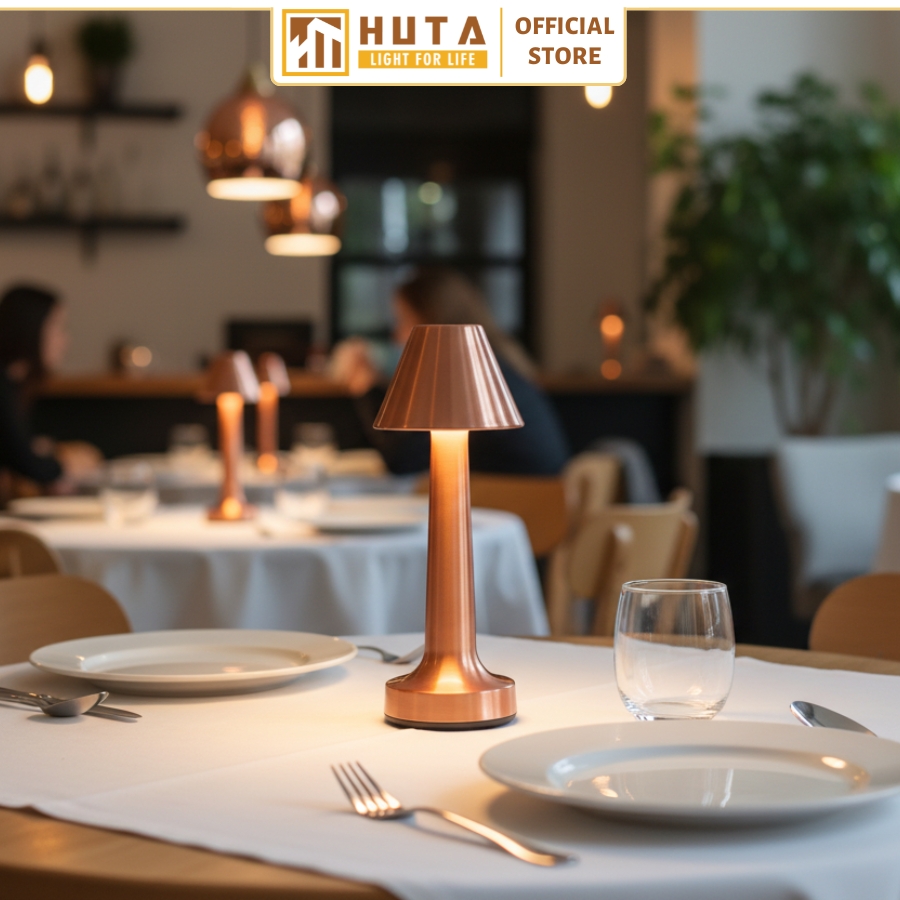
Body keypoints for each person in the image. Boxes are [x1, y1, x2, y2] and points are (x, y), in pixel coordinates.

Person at [332, 267, 570, 475]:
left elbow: (403, 460)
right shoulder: (491, 365)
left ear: (432, 322)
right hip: (517, 496)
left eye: (404, 321)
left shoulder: (463, 376)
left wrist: (366, 386)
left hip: (523, 501)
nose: (396, 336)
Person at [0, 284, 100, 495]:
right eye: (57, 327)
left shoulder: (13, 384)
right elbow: (27, 462)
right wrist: (64, 467)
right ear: (31, 328)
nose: (65, 340)